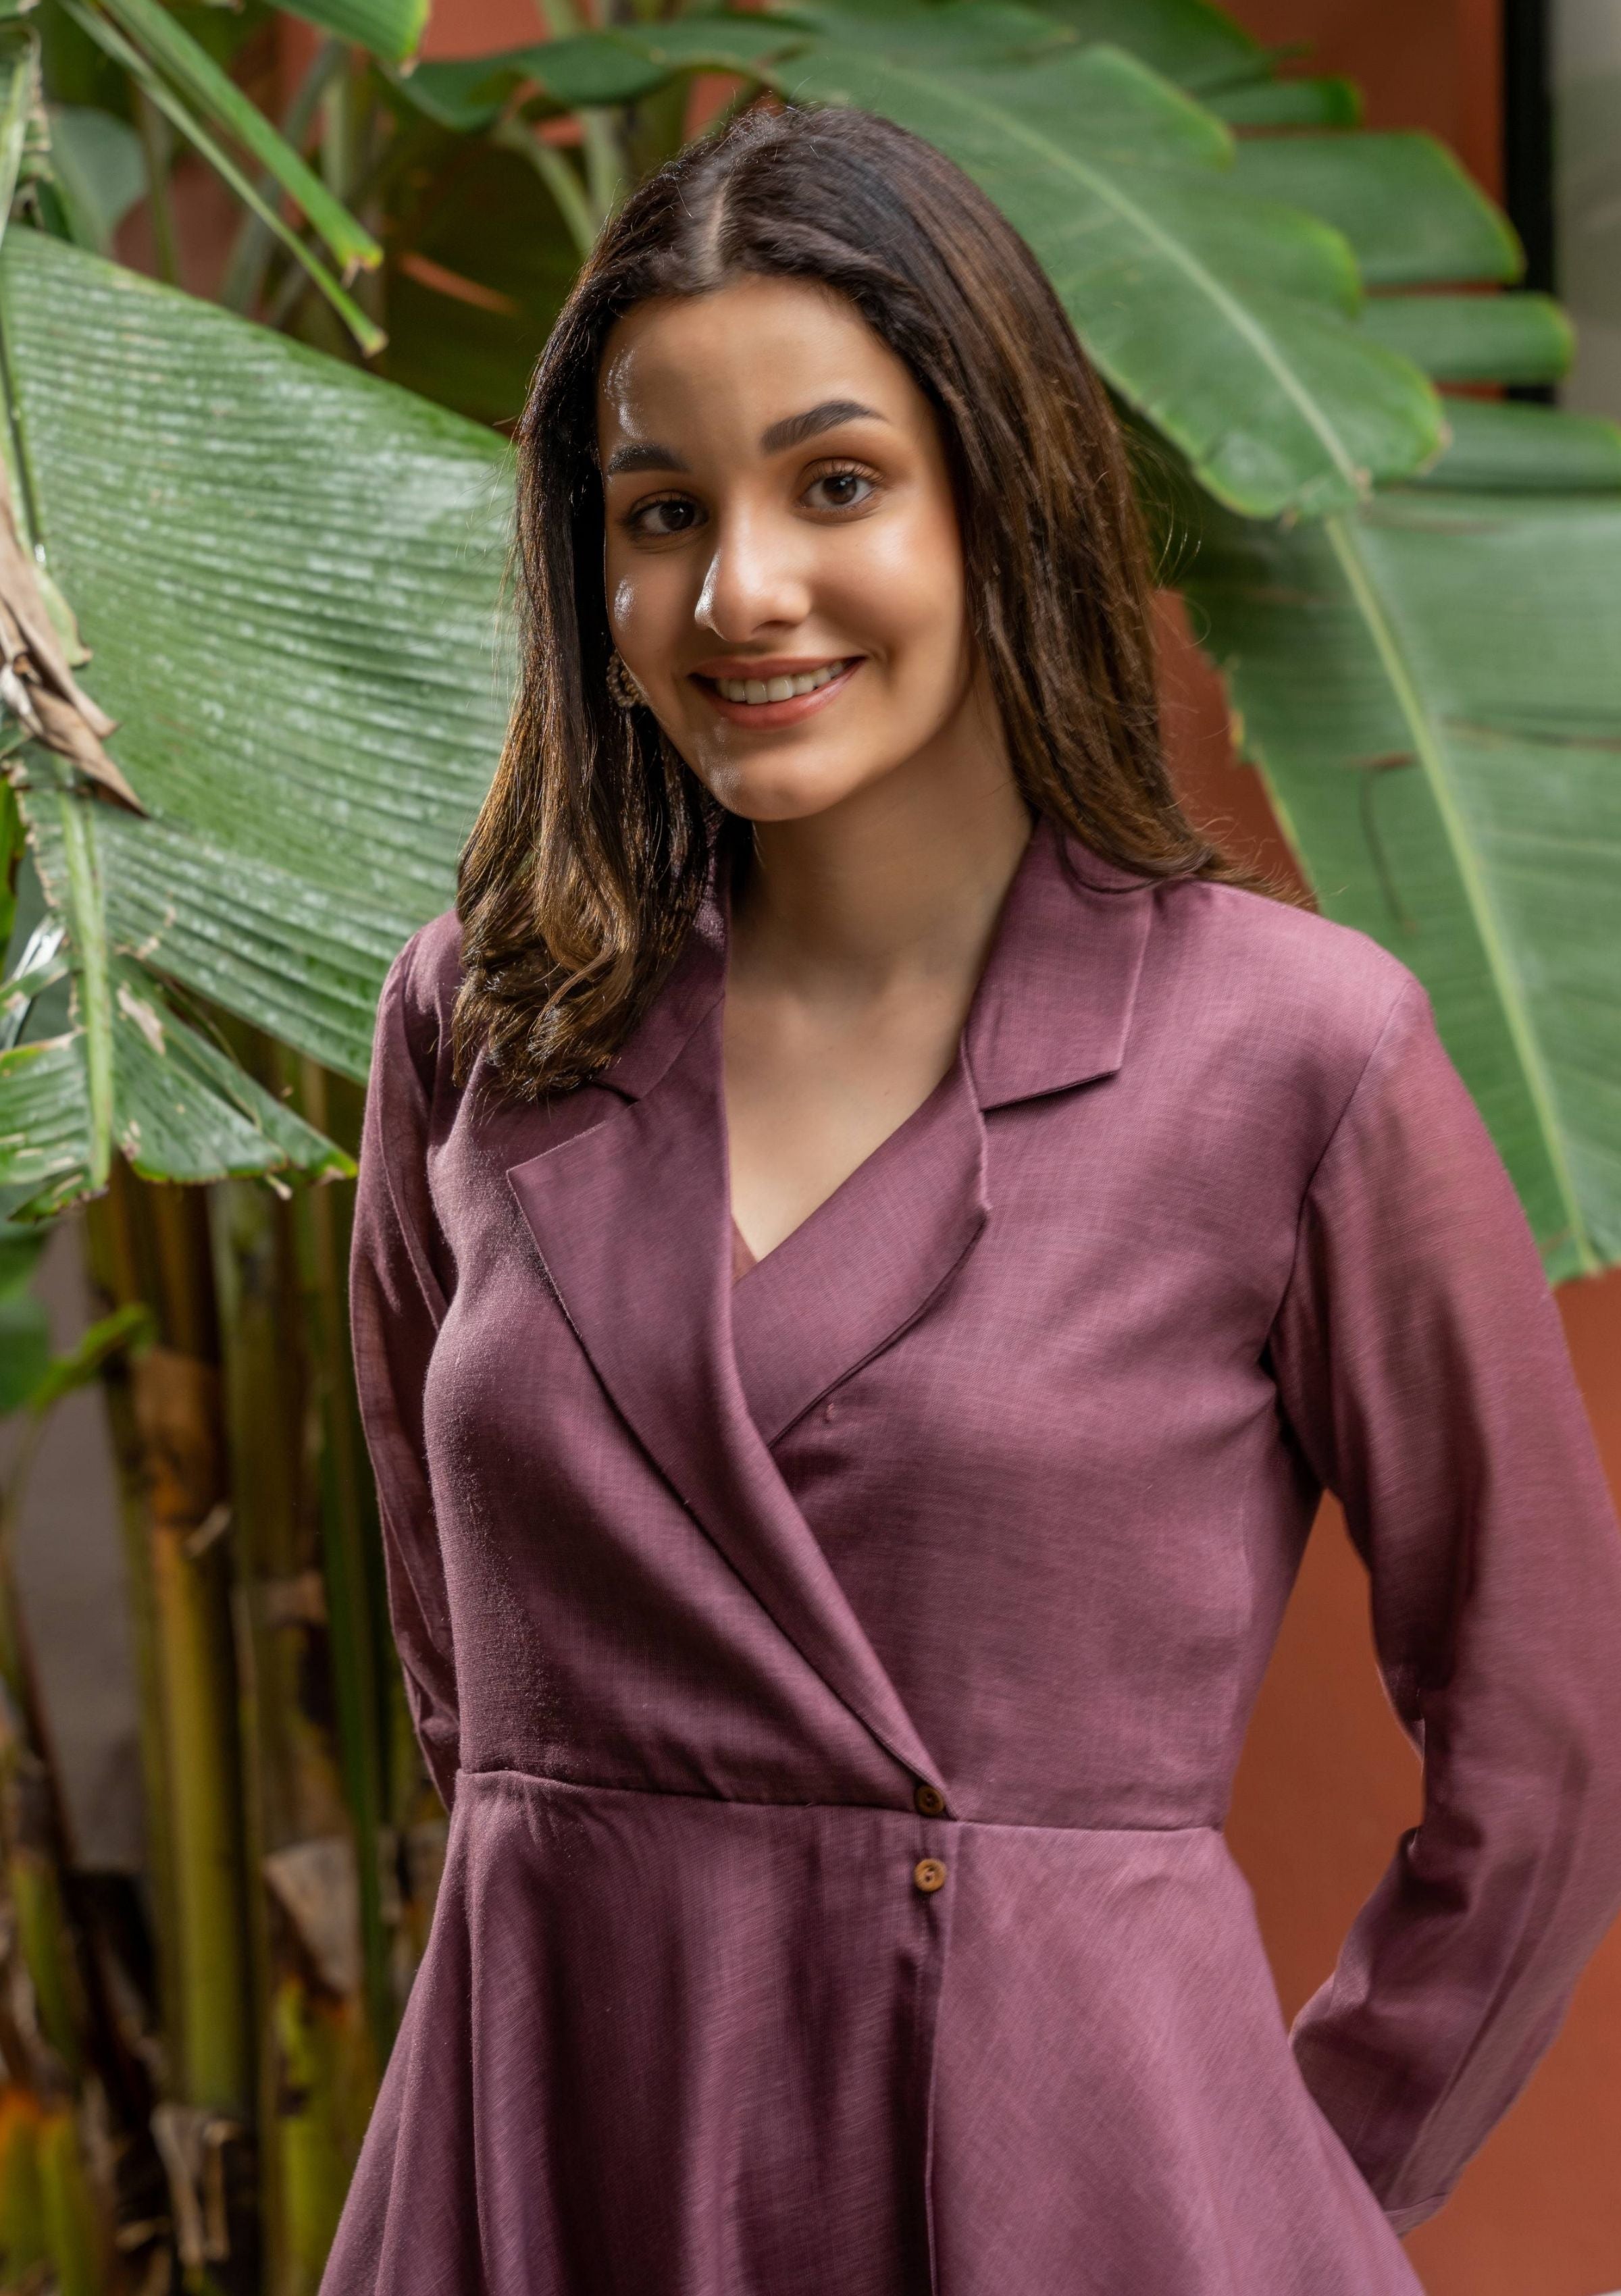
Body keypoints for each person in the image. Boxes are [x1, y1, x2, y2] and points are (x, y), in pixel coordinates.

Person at [324, 102, 1621, 2296]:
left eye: (837, 485)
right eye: (662, 513)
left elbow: (1548, 1719)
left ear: (997, 502)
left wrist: (1254, 2166)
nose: (742, 591)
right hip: (548, 2143)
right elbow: (465, 1677)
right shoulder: (484, 1018)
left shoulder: (1297, 1051)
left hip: (1066, 2193)